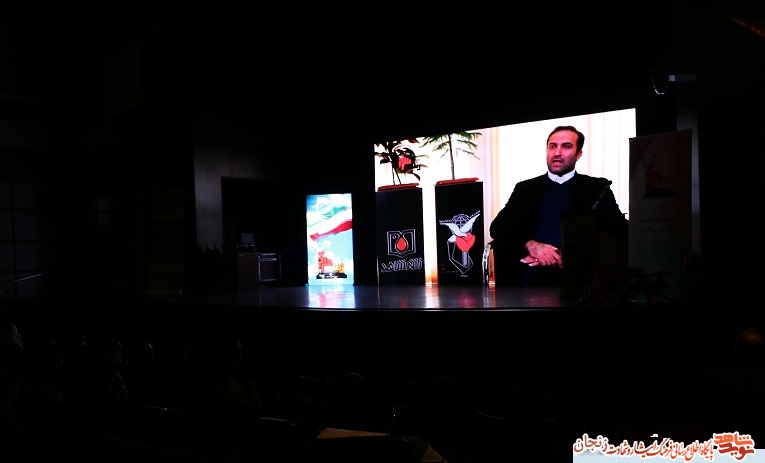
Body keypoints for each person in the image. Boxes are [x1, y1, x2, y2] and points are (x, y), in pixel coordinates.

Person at [489, 125, 628, 288]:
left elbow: (618, 231)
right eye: (552, 146)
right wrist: (532, 245)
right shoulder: (526, 189)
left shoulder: (596, 188)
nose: (557, 153)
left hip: (580, 277)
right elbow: (498, 228)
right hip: (530, 277)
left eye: (566, 146)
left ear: (578, 154)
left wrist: (563, 254)